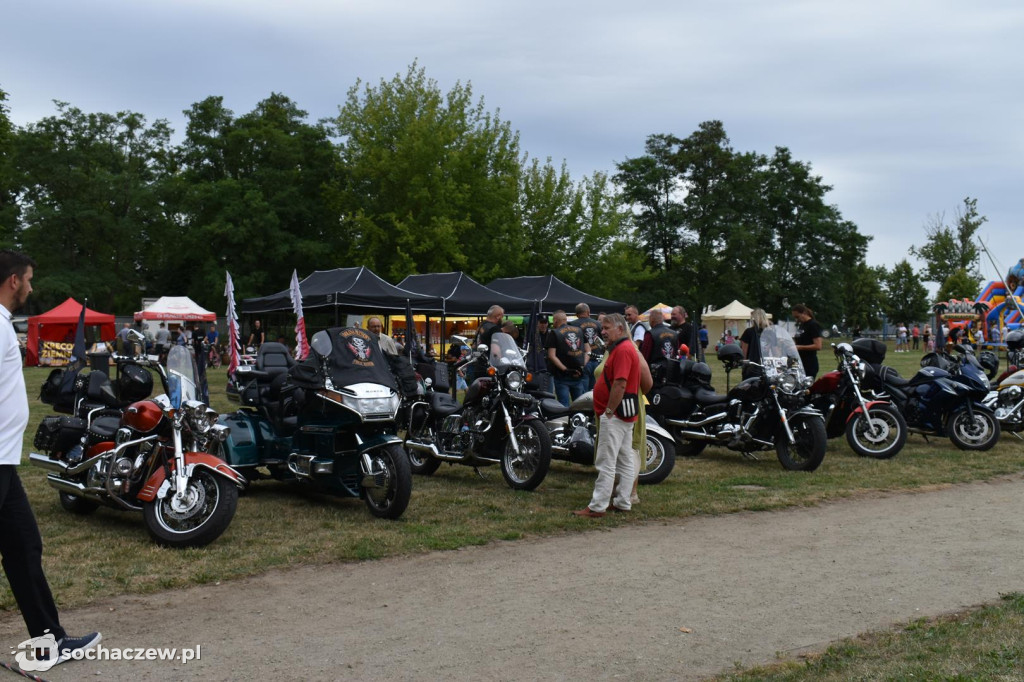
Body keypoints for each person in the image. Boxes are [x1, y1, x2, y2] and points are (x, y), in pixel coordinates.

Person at [0, 250, 101, 667]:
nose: (31, 286)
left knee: (24, 547)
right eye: (28, 278)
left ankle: (49, 643)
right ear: (12, 282)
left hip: (5, 461)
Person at [573, 313, 640, 518]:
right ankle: (622, 502)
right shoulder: (625, 348)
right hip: (624, 414)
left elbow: (620, 383)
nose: (603, 331)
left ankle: (597, 506)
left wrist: (609, 411)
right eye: (603, 328)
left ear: (620, 329)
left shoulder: (622, 350)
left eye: (607, 327)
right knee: (625, 459)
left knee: (607, 461)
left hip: (615, 415)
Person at [546, 310, 589, 406]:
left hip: (562, 375)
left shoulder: (554, 333)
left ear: (556, 320)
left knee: (564, 405)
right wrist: (583, 364)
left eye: (553, 320)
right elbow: (588, 351)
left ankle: (566, 421)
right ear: (565, 319)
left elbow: (551, 356)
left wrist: (566, 370)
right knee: (579, 405)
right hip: (578, 373)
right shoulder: (579, 330)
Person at [792, 304, 823, 378]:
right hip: (799, 362)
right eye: (794, 318)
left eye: (797, 317)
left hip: (809, 363)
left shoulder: (813, 325)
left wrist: (799, 347)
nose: (796, 320)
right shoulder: (802, 325)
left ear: (804, 313)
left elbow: (818, 346)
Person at [574, 303, 601, 390]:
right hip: (597, 360)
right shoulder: (598, 324)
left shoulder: (572, 325)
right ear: (588, 312)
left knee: (583, 392)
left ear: (576, 314)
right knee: (594, 391)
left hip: (582, 361)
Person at [525, 315, 552, 394]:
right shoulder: (532, 335)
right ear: (537, 323)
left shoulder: (551, 334)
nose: (543, 325)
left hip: (548, 367)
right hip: (535, 367)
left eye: (545, 323)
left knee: (549, 393)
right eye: (541, 323)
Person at [740, 308, 770, 376]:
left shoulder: (749, 332)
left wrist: (743, 364)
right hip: (767, 365)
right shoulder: (771, 332)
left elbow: (744, 351)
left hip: (752, 365)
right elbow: (775, 350)